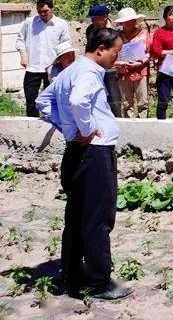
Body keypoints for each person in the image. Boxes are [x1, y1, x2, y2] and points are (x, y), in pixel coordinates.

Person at [35, 27, 131, 300]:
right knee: (98, 218)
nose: (116, 57)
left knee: (76, 216)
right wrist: (86, 129)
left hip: (76, 152)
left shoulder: (70, 71)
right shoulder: (89, 72)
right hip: (95, 153)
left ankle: (72, 274)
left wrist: (68, 128)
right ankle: (99, 282)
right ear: (100, 50)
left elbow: (43, 101)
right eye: (115, 52)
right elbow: (78, 102)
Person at [15, 0, 71, 117]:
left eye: (45, 11)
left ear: (52, 8)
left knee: (52, 101)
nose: (42, 14)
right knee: (31, 100)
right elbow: (20, 40)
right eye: (39, 11)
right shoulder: (29, 23)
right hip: (33, 67)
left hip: (53, 68)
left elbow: (66, 45)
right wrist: (23, 55)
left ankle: (51, 122)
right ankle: (32, 124)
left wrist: (62, 63)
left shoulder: (61, 24)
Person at [114, 7, 150, 118]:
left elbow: (150, 52)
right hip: (123, 72)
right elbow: (112, 53)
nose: (129, 23)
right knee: (126, 103)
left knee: (143, 101)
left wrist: (140, 62)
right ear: (122, 23)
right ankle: (129, 124)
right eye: (126, 21)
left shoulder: (144, 33)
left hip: (141, 71)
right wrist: (118, 63)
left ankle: (143, 123)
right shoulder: (116, 36)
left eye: (131, 20)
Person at [86, 5, 121, 116]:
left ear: (105, 17)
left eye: (95, 19)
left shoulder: (116, 30)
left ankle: (117, 119)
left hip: (112, 68)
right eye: (92, 19)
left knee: (114, 98)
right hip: (96, 69)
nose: (93, 22)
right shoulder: (90, 30)